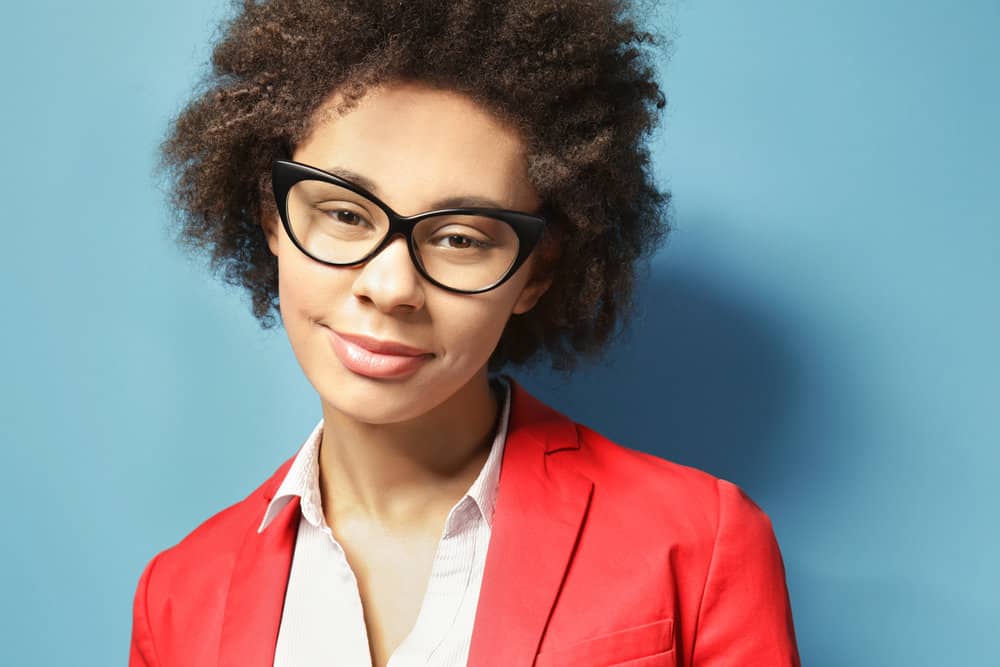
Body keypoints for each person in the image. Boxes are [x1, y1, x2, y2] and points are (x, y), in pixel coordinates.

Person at [129, 1, 800, 665]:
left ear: (536, 274)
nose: (390, 287)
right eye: (343, 212)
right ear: (272, 218)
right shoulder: (177, 597)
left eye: (459, 237)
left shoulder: (700, 542)